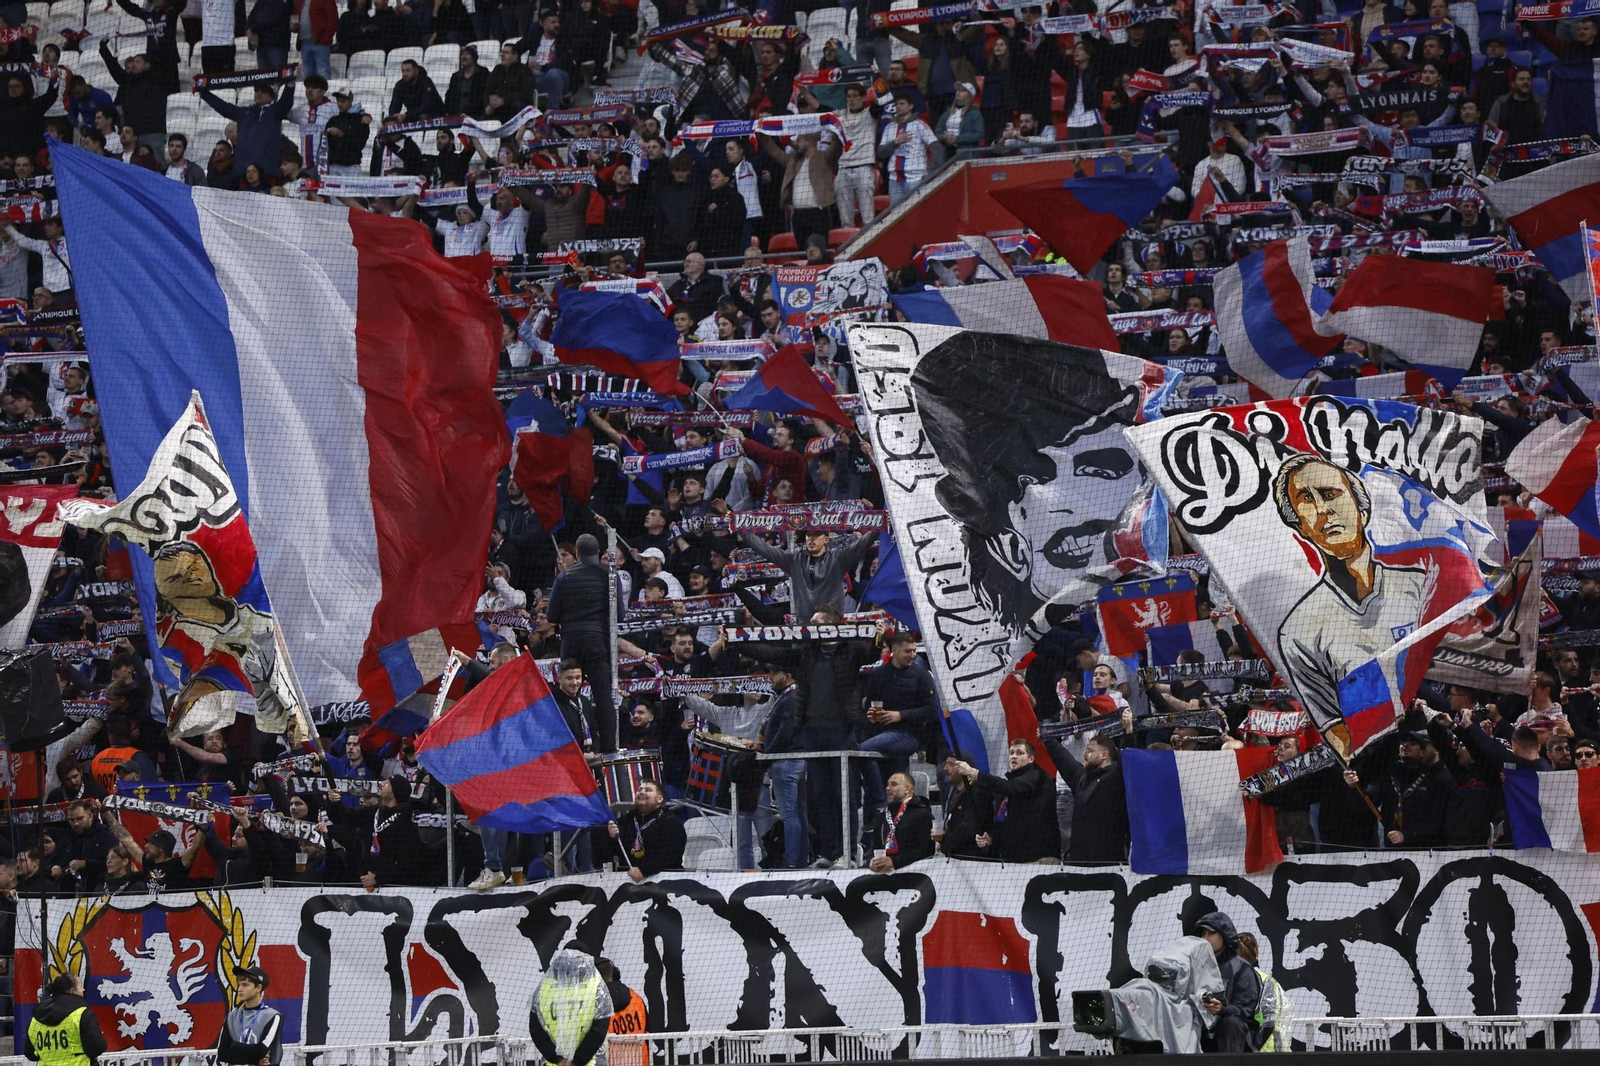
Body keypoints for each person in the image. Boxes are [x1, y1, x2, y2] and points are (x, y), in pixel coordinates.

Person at [547, 533, 624, 754]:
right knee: (603, 696)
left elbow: (551, 616)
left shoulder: (564, 577)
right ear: (599, 552)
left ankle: (565, 747)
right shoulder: (610, 576)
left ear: (577, 554)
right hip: (598, 643)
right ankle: (609, 750)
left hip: (570, 642)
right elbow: (620, 614)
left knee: (566, 693)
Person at [735, 521, 878, 622]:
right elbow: (766, 550)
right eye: (809, 535)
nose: (811, 538)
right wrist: (741, 530)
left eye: (816, 535)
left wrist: (879, 526)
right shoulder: (794, 561)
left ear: (826, 539)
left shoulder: (838, 559)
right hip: (804, 626)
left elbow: (862, 544)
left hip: (832, 625)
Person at [860, 630, 938, 812]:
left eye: (914, 651)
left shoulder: (922, 675)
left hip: (908, 735)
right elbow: (868, 705)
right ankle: (878, 827)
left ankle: (880, 804)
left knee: (863, 750)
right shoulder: (879, 674)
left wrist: (900, 715)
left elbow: (932, 710)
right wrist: (871, 712)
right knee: (895, 783)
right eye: (907, 651)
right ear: (894, 649)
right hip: (881, 735)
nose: (912, 655)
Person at [955, 739, 1058, 863]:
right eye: (1012, 753)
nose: (1014, 756)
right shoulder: (1011, 785)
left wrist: (974, 772)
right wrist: (992, 838)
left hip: (1039, 858)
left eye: (1020, 753)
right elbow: (1007, 822)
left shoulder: (1037, 776)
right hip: (1016, 860)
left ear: (1031, 759)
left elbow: (1010, 787)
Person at [1046, 731, 1128, 863]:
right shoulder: (1082, 778)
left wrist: (1128, 732)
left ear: (1104, 755)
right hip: (1078, 861)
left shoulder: (1115, 777)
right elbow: (1063, 758)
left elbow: (1127, 761)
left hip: (1108, 863)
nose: (1084, 754)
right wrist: (1047, 737)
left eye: (1089, 750)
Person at [200, 79, 298, 180]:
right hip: (243, 172)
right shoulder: (244, 113)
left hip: (267, 173)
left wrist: (290, 84)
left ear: (271, 96)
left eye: (264, 90)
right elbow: (223, 107)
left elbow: (286, 101)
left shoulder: (275, 111)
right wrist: (203, 93)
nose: (259, 93)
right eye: (257, 90)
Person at [529, 947, 613, 1066]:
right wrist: (578, 1060)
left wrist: (557, 1059)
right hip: (590, 1062)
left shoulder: (544, 988)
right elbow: (599, 1030)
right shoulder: (596, 987)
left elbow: (536, 1030)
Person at [1193, 912, 1260, 1053]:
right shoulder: (1196, 967)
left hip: (1234, 1035)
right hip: (1204, 1027)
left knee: (1231, 1023)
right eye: (1203, 934)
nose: (1205, 938)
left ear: (1223, 935)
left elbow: (1246, 1011)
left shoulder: (1241, 968)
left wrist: (1222, 1010)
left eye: (1210, 933)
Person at [605, 781, 685, 880]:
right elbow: (612, 853)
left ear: (660, 799)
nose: (642, 792)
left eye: (648, 790)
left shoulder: (670, 821)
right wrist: (611, 837)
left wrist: (644, 870)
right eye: (639, 790)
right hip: (627, 882)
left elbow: (669, 854)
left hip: (666, 882)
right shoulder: (625, 821)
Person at [25, 973, 107, 1066]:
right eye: (80, 986)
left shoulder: (35, 1020)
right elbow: (98, 1047)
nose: (83, 989)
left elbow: (30, 1054)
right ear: (72, 991)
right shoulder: (82, 1014)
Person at [215, 965, 283, 1065]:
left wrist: (235, 1046)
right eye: (239, 985)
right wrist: (255, 1060)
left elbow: (262, 1050)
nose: (239, 989)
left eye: (245, 985)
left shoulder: (272, 1016)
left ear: (258, 988)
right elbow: (222, 1054)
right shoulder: (232, 1017)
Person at [878, 95, 938, 206]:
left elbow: (936, 148)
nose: (899, 106)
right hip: (894, 178)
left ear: (910, 106)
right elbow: (881, 153)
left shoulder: (920, 125)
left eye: (902, 103)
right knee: (895, 215)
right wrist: (895, 143)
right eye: (896, 104)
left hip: (915, 178)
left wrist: (930, 170)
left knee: (917, 213)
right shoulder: (889, 127)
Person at [1236, 932, 1291, 1053]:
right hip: (1264, 1052)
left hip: (1239, 1049)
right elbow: (1270, 1022)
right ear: (1256, 952)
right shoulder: (1266, 980)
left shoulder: (1230, 979)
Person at [868, 772, 934, 871]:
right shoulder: (883, 816)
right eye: (887, 784)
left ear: (907, 789)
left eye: (894, 784)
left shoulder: (923, 815)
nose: (887, 788)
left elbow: (925, 851)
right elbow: (874, 846)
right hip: (884, 873)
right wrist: (872, 861)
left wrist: (894, 861)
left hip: (915, 874)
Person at [940, 750, 993, 859]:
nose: (945, 768)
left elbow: (970, 828)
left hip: (974, 859)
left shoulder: (978, 792)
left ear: (964, 767)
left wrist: (945, 843)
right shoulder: (953, 791)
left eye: (951, 764)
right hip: (955, 856)